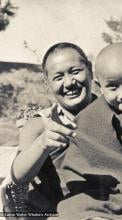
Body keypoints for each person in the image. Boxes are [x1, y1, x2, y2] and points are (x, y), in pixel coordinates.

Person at [57, 43, 122, 220]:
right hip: (105, 199)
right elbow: (74, 172)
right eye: (113, 87)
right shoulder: (89, 119)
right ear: (99, 85)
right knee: (69, 210)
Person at [1, 42, 97, 215]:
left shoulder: (112, 114)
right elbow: (18, 177)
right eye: (58, 77)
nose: (69, 83)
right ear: (47, 83)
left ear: (90, 70)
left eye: (75, 72)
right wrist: (43, 144)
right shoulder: (40, 124)